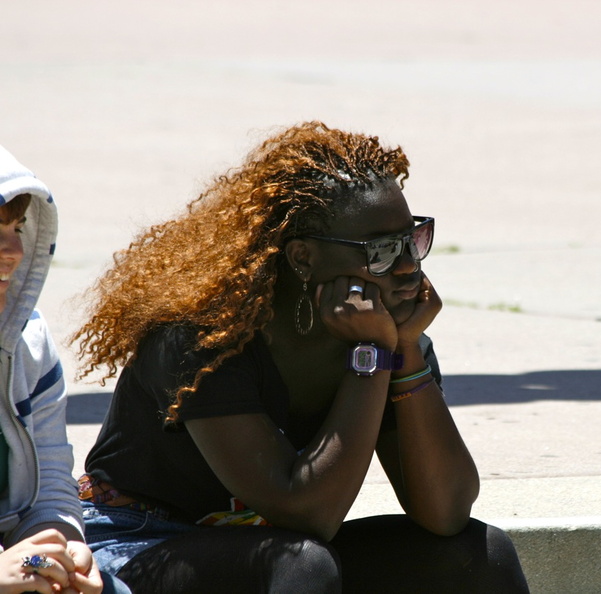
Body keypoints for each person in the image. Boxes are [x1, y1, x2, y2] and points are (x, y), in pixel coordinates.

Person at [72, 121, 530, 593]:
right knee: (303, 563)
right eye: (380, 251)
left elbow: (446, 512)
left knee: (482, 554)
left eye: (412, 240)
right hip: (141, 543)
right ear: (303, 258)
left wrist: (406, 351)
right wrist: (372, 357)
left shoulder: (387, 338)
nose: (409, 267)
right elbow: (308, 514)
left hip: (277, 548)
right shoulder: (204, 339)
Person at [0, 146, 116, 593]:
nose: (14, 251)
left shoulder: (27, 339)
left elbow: (49, 479)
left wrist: (63, 548)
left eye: (18, 227)